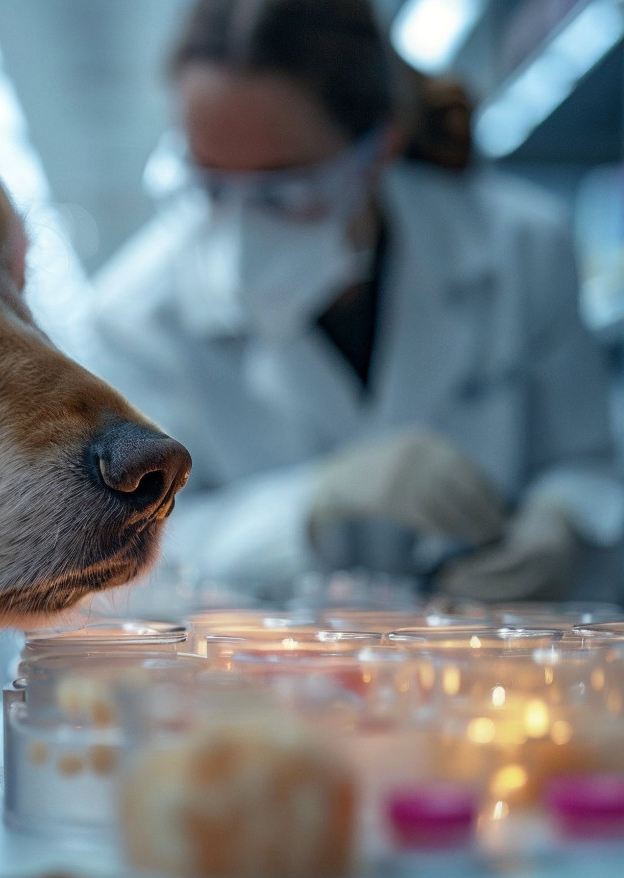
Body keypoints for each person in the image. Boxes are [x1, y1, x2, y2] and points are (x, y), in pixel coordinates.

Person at [85, 0, 623, 603]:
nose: (238, 230)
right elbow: (118, 570)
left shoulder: (520, 248)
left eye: (284, 192)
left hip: (496, 663)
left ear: (378, 150)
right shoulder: (133, 316)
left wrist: (563, 524)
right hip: (281, 688)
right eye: (206, 185)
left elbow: (587, 465)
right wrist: (311, 502)